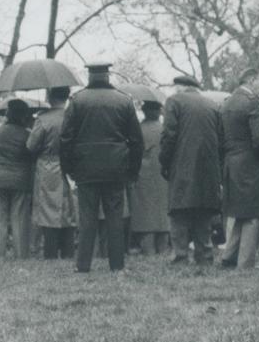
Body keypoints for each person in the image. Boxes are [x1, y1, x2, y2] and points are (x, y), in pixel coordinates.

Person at [60, 63, 143, 273]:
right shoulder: (124, 100)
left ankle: (83, 265)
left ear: (90, 76)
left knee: (87, 217)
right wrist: (132, 171)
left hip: (85, 167)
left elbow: (66, 138)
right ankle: (117, 265)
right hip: (116, 167)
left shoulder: (77, 101)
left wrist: (68, 168)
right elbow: (136, 140)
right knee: (115, 217)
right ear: (108, 75)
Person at [160, 75, 224, 266]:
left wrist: (164, 162)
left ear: (181, 87)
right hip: (208, 167)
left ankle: (180, 255)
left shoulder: (174, 102)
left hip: (181, 165)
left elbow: (169, 135)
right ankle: (204, 254)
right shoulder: (212, 105)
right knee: (203, 211)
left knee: (179, 212)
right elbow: (221, 138)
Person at [218, 71, 259, 269]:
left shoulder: (227, 103)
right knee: (253, 214)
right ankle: (246, 262)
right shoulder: (252, 103)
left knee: (238, 212)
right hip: (251, 163)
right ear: (251, 81)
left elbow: (220, 138)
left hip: (231, 161)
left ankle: (229, 256)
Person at [0, 98, 36, 262]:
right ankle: (21, 256)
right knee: (19, 219)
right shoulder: (28, 134)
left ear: (8, 113)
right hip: (20, 180)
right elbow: (32, 154)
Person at [27, 87, 76, 260]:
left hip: (49, 165)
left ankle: (51, 253)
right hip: (73, 165)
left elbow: (31, 145)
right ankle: (69, 252)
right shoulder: (75, 116)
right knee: (70, 207)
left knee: (48, 209)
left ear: (50, 96)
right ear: (67, 96)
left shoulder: (43, 118)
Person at [127, 99, 170, 256]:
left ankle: (149, 251)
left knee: (145, 216)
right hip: (164, 177)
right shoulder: (166, 130)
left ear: (144, 111)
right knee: (163, 215)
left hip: (142, 177)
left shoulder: (137, 129)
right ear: (159, 112)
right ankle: (163, 251)